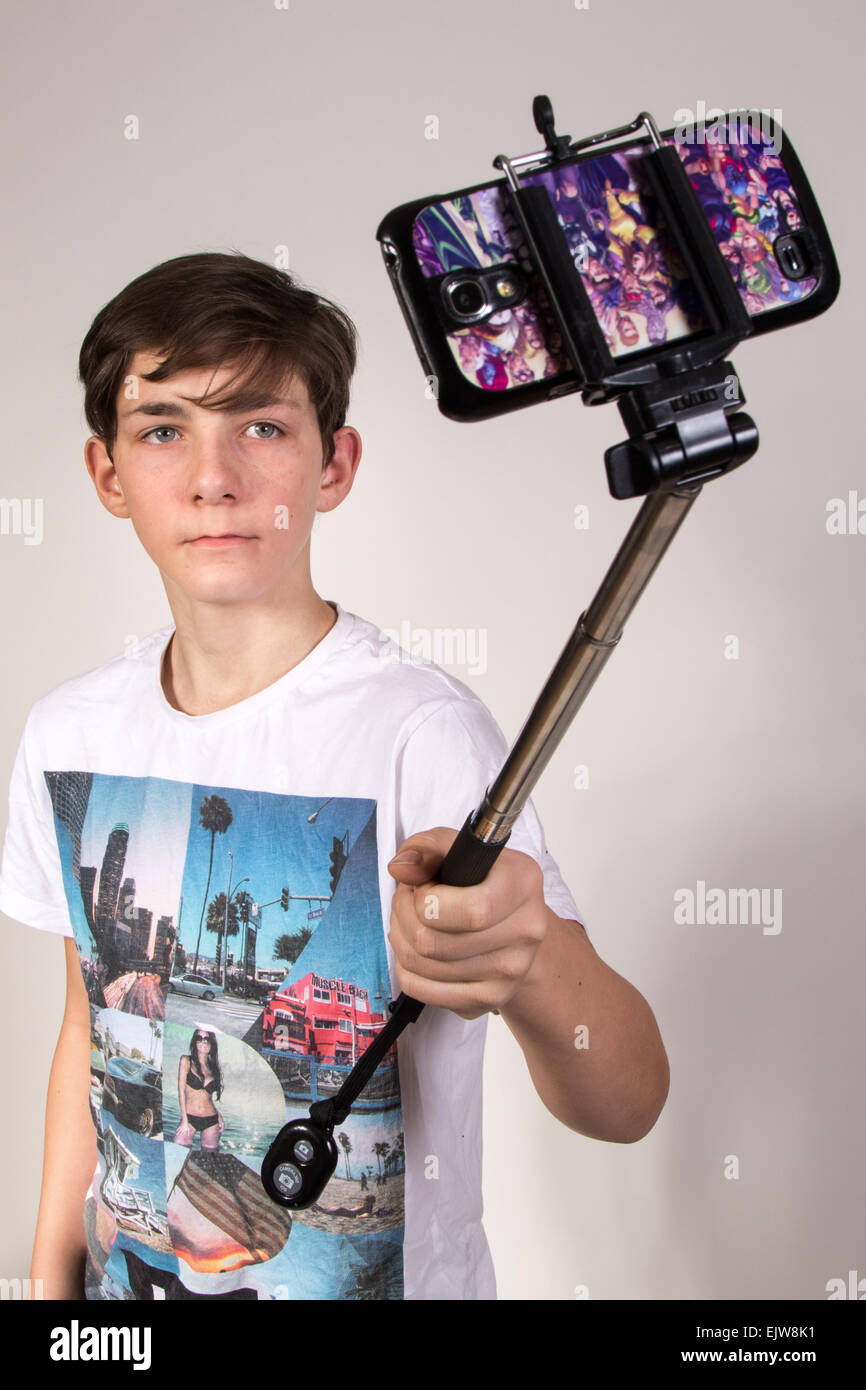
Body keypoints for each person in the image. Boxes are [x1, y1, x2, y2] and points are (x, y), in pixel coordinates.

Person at [0, 250, 669, 1301]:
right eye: (164, 428)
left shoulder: (421, 732)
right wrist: (46, 1291)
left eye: (261, 426)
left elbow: (626, 1099)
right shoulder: (64, 731)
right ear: (107, 473)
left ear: (333, 464)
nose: (213, 476)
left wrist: (526, 958)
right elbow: (90, 1027)